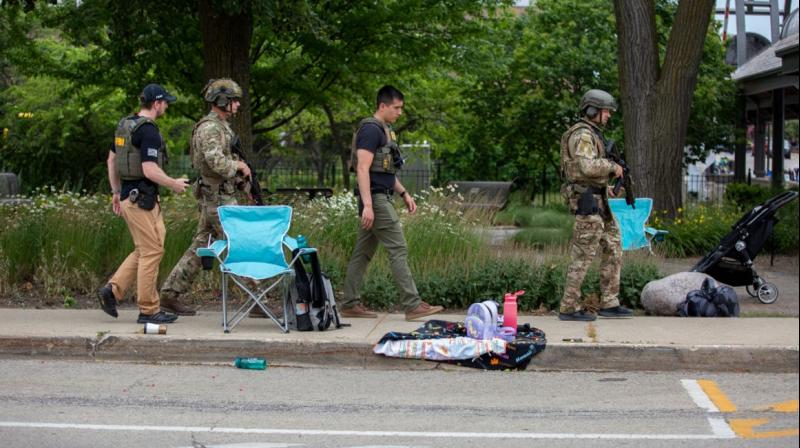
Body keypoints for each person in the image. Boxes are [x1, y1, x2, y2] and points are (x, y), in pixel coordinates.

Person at [340, 85, 444, 321]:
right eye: (396, 108)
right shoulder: (370, 130)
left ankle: (349, 303)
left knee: (363, 252)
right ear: (383, 106)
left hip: (381, 195)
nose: (399, 112)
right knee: (398, 247)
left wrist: (404, 193)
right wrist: (367, 205)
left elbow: (384, 172)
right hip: (375, 200)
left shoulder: (385, 131)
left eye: (401, 108)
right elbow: (362, 168)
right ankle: (412, 304)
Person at [158, 79, 252, 315]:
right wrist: (238, 166)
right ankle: (257, 297)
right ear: (222, 101)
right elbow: (216, 162)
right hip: (217, 198)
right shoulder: (210, 128)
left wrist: (242, 183)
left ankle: (170, 294)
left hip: (219, 194)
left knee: (202, 245)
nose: (238, 104)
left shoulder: (221, 126)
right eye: (234, 100)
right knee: (239, 241)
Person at [97, 84, 190, 324]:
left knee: (148, 247)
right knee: (152, 251)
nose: (167, 106)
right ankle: (148, 310)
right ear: (156, 103)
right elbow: (149, 169)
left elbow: (111, 160)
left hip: (131, 197)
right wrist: (173, 184)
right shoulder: (148, 131)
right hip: (142, 200)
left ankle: (113, 290)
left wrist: (116, 191)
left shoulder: (126, 125)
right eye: (165, 102)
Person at [558, 89, 633, 321]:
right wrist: (612, 167)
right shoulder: (582, 135)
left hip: (599, 201)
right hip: (587, 203)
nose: (609, 115)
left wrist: (605, 186)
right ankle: (569, 307)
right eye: (605, 111)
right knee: (583, 255)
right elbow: (586, 167)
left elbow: (589, 174)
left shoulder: (593, 134)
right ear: (592, 110)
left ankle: (610, 302)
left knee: (613, 246)